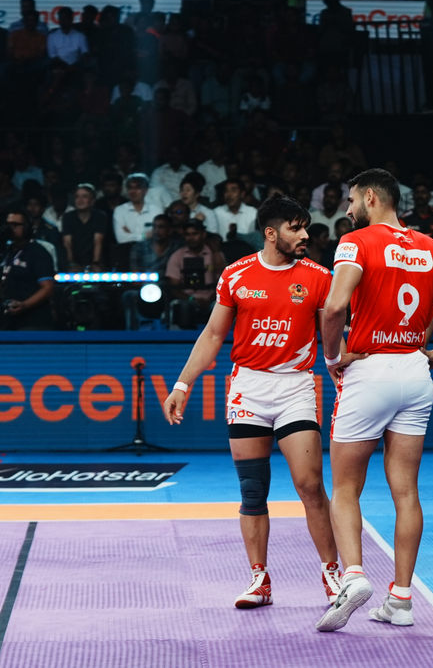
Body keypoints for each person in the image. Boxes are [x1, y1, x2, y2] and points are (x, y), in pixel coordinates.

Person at [315, 170, 433, 632]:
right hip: (416, 371)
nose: (348, 209)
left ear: (371, 198)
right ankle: (400, 599)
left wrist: (332, 357)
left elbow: (334, 307)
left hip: (369, 369)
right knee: (406, 491)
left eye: (352, 201)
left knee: (345, 488)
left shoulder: (356, 242)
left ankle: (353, 576)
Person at [164, 195, 343, 610]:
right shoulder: (235, 274)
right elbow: (213, 335)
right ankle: (259, 580)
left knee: (310, 485)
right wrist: (182, 385)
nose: (305, 235)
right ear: (271, 233)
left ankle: (332, 573)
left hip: (296, 387)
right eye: (296, 228)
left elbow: (334, 338)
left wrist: (347, 369)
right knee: (252, 490)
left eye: (305, 227)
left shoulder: (320, 277)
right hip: (248, 388)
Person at [0, 208, 56, 330]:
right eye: (8, 225)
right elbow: (2, 280)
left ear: (27, 227)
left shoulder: (38, 252)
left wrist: (25, 305)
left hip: (34, 323)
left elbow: (48, 288)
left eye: (15, 225)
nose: (10, 229)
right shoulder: (4, 253)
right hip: (8, 321)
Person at [165, 220, 226, 329]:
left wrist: (210, 299)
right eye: (187, 235)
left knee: (224, 307)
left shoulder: (214, 254)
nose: (191, 238)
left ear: (203, 235)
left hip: (213, 299)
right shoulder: (177, 256)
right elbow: (174, 288)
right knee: (183, 307)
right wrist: (192, 299)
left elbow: (224, 281)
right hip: (187, 300)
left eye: (195, 234)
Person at [62, 184, 109, 271]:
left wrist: (95, 262)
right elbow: (67, 243)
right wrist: (71, 262)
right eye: (77, 197)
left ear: (93, 201)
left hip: (95, 259)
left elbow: (98, 241)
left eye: (84, 196)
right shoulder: (68, 217)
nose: (80, 200)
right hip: (75, 260)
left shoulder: (100, 216)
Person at [113, 173, 164, 245]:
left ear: (145, 190)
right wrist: (144, 235)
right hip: (127, 249)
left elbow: (159, 235)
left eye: (137, 188)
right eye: (130, 188)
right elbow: (121, 239)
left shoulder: (156, 211)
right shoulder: (120, 211)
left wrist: (131, 235)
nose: (133, 191)